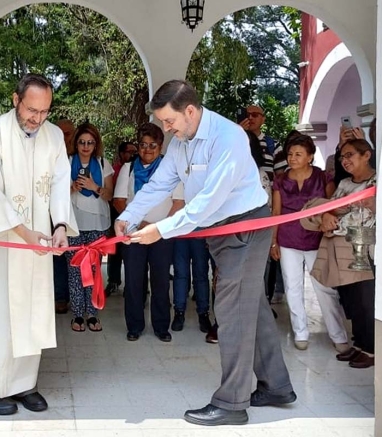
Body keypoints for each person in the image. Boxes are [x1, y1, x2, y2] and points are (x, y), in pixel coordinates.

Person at [115, 80, 295, 426]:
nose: (166, 129)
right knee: (251, 305)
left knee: (231, 311)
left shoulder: (228, 138)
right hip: (219, 228)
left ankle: (232, 403)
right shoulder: (182, 142)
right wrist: (128, 217)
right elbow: (160, 184)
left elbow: (207, 201)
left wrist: (161, 230)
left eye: (169, 122)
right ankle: (276, 386)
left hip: (243, 228)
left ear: (191, 111)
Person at [0, 73, 77, 415]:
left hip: (36, 242)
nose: (37, 118)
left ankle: (22, 383)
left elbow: (60, 184)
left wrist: (61, 225)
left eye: (45, 111)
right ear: (15, 99)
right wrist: (22, 233)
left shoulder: (52, 137)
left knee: (31, 309)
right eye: (31, 110)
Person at [301, 138, 376, 369]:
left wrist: (335, 215)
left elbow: (369, 213)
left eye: (350, 155)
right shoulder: (344, 184)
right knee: (352, 300)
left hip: (365, 250)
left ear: (366, 155)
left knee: (366, 301)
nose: (345, 161)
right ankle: (359, 343)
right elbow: (329, 208)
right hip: (341, 249)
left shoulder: (377, 182)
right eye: (342, 156)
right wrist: (325, 216)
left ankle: (371, 349)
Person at [270, 134, 349, 352]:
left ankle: (338, 334)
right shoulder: (280, 180)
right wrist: (273, 242)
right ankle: (300, 331)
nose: (292, 158)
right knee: (292, 286)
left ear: (310, 157)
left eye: (298, 154)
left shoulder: (323, 177)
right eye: (290, 154)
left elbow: (333, 206)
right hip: (288, 238)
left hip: (317, 238)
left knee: (324, 287)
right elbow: (276, 212)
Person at [113, 123, 183, 341]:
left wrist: (157, 227)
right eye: (143, 145)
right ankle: (134, 326)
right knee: (134, 282)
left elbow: (179, 203)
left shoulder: (169, 169)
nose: (147, 149)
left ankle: (161, 327)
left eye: (153, 145)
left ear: (160, 146)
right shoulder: (129, 168)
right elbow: (119, 201)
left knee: (161, 281)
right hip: (133, 233)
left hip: (162, 233)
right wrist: (137, 222)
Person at [66, 122, 114, 332]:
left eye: (90, 143)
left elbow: (110, 195)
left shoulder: (104, 163)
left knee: (94, 270)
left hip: (97, 223)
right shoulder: (66, 162)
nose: (86, 146)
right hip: (73, 222)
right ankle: (77, 314)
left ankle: (92, 314)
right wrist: (73, 187)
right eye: (82, 142)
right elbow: (56, 196)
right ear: (76, 144)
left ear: (96, 145)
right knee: (75, 269)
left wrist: (95, 187)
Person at [106, 141, 138, 297]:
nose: (132, 154)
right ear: (121, 154)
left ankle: (135, 285)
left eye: (134, 151)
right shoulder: (115, 171)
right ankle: (113, 280)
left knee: (132, 252)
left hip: (133, 217)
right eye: (128, 152)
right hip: (116, 213)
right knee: (115, 251)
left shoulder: (136, 168)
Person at [53, 119, 75, 314]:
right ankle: (60, 297)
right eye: (61, 133)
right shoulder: (49, 156)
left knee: (76, 260)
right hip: (55, 218)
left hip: (79, 217)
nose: (64, 138)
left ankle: (79, 300)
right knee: (58, 259)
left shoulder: (82, 157)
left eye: (68, 134)